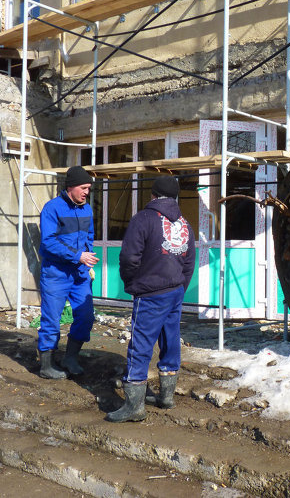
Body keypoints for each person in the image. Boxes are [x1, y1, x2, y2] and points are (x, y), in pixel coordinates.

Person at [106, 175, 195, 422]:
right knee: (171, 339)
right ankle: (166, 397)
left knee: (141, 345)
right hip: (175, 291)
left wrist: (133, 284)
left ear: (153, 195)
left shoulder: (143, 219)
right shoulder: (185, 223)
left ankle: (134, 406)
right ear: (175, 197)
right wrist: (179, 286)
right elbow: (189, 262)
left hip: (151, 292)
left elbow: (128, 258)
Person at [38, 165, 99, 379]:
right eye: (83, 188)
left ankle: (70, 357)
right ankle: (46, 364)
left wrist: (88, 257)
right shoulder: (52, 208)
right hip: (56, 273)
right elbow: (48, 242)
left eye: (89, 188)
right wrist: (78, 256)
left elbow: (89, 237)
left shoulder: (87, 209)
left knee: (86, 316)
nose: (86, 192)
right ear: (71, 187)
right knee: (52, 318)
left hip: (80, 273)